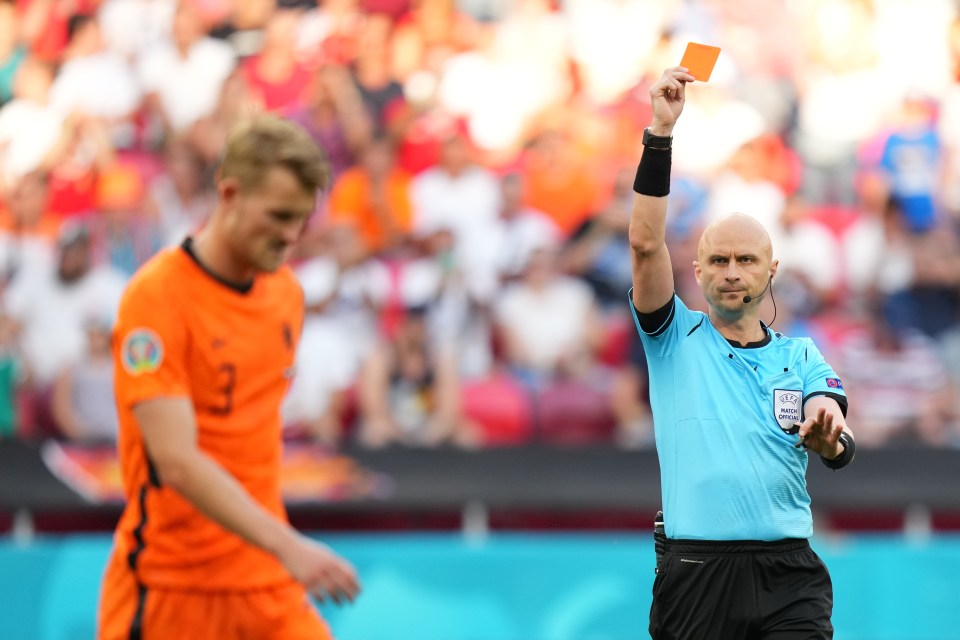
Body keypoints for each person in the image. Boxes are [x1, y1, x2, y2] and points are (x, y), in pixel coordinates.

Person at [96, 115, 360, 640]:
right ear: (230, 193)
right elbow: (177, 461)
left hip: (266, 584)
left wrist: (280, 551)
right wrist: (289, 545)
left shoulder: (286, 295)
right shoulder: (157, 299)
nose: (291, 236)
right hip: (171, 587)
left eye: (302, 220)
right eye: (279, 216)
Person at [629, 67, 855, 639]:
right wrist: (660, 132)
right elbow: (644, 242)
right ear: (698, 270)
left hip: (789, 573)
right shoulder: (672, 338)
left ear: (770, 269)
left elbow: (832, 427)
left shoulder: (802, 356)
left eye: (747, 260)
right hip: (697, 572)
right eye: (720, 261)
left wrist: (830, 436)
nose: (733, 273)